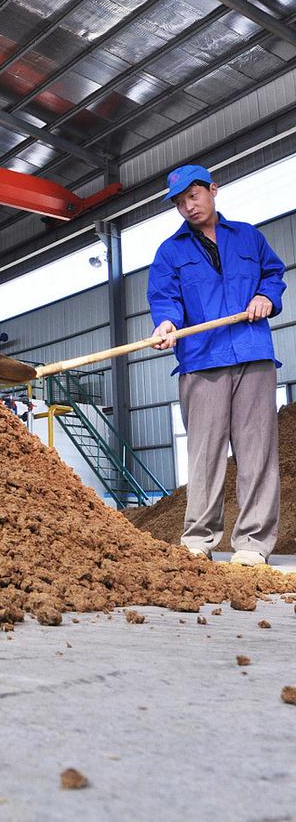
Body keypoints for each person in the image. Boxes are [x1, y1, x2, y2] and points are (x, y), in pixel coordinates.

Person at [147, 163, 286, 566]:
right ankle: (199, 540)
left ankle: (253, 544)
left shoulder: (248, 236)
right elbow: (164, 297)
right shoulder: (171, 251)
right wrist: (167, 322)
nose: (188, 207)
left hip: (252, 353)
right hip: (201, 359)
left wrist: (265, 296)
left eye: (193, 196)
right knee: (204, 455)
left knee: (257, 451)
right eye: (179, 202)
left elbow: (274, 275)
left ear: (212, 189)